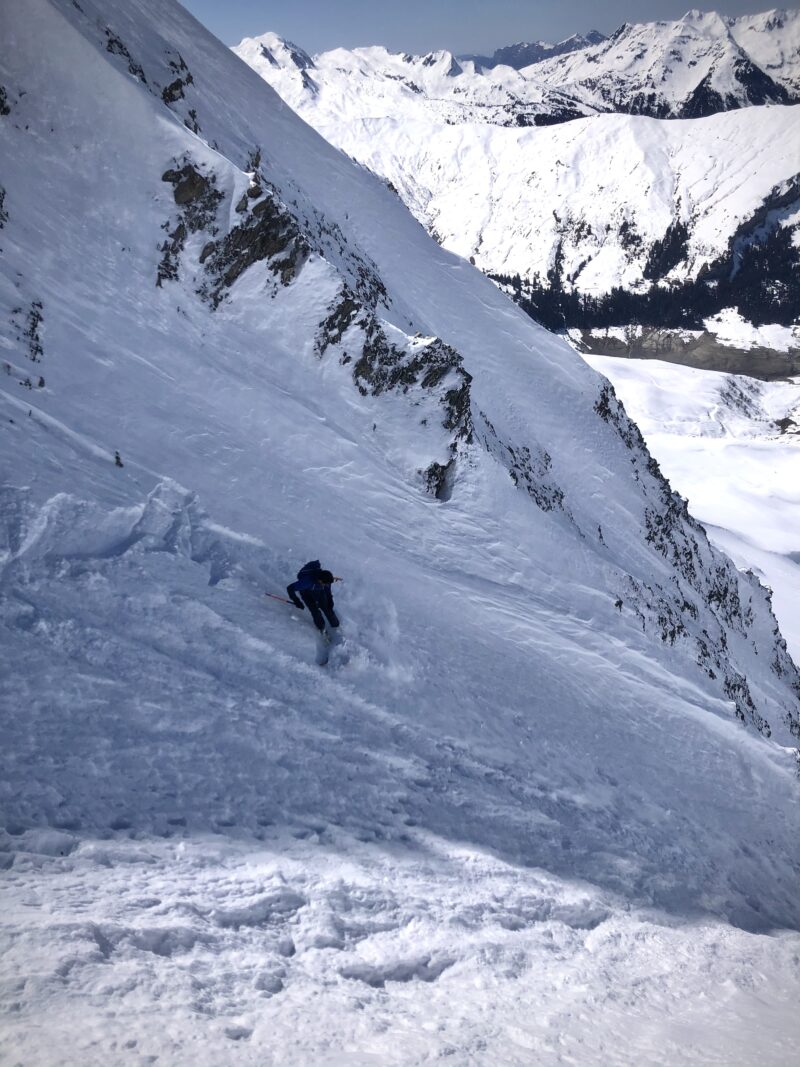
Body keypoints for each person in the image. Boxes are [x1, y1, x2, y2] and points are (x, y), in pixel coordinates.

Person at [287, 560, 340, 634]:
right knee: (315, 610)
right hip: (306, 591)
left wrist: (330, 599)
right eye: (324, 583)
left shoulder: (326, 579)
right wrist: (297, 601)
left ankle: (336, 627)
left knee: (327, 608)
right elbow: (290, 588)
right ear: (320, 580)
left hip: (318, 589)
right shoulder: (307, 582)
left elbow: (327, 589)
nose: (326, 585)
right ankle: (321, 628)